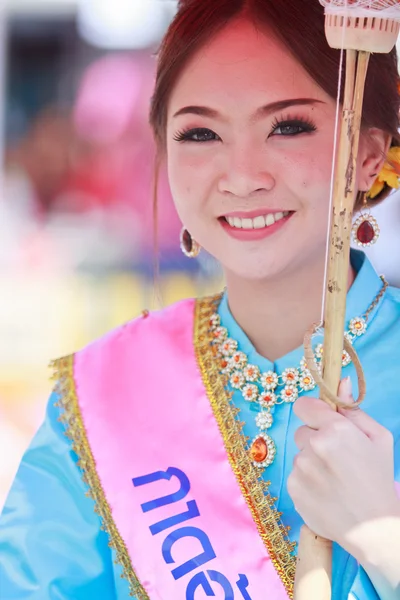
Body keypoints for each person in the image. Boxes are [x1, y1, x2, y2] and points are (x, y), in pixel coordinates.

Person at [1, 1, 400, 599]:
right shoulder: (112, 389)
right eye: (201, 133)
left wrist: (386, 542)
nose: (241, 176)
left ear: (370, 153)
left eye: (287, 126)